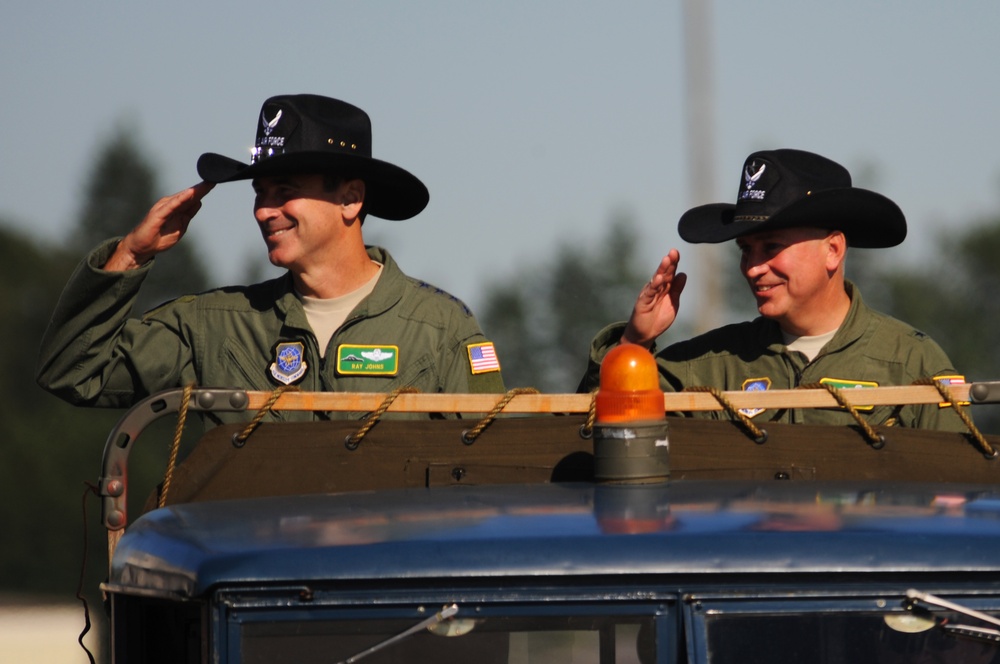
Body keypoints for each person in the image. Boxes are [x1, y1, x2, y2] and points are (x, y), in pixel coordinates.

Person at [37, 94, 504, 423]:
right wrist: (130, 256)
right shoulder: (213, 326)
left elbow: (490, 463)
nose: (264, 210)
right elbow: (76, 373)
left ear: (351, 199)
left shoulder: (441, 328)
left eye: (286, 191)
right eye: (260, 193)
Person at [578, 148, 966, 431]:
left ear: (833, 249)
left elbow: (959, 492)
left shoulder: (913, 364)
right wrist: (634, 341)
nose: (753, 268)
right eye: (746, 250)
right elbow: (588, 439)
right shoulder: (710, 365)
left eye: (772, 247)